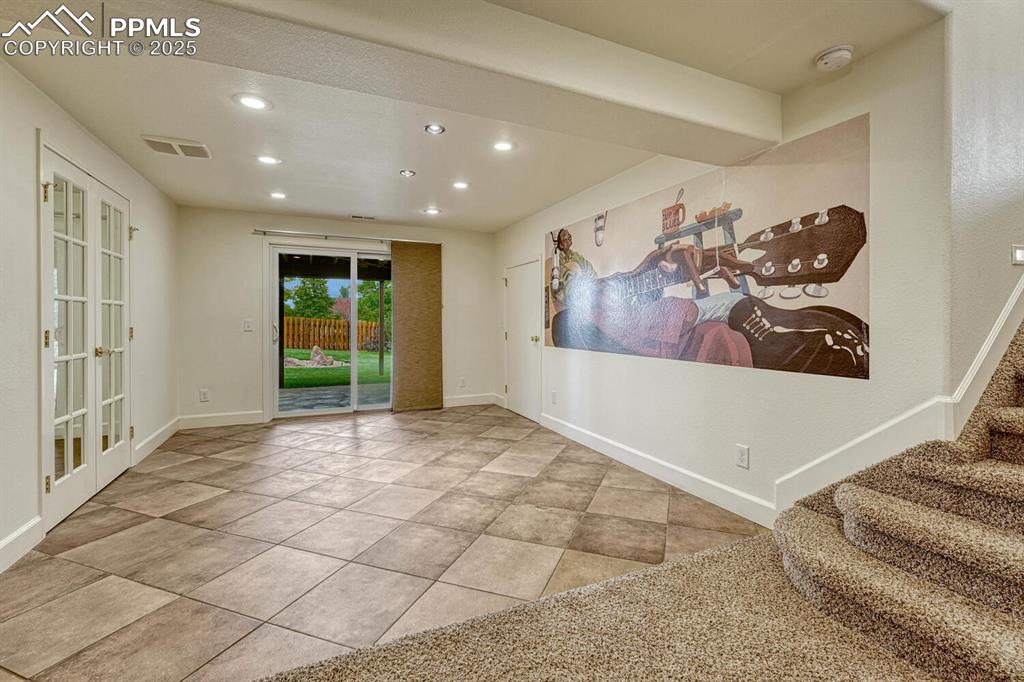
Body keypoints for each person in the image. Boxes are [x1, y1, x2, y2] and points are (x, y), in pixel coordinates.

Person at [548, 228, 869, 379]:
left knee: (739, 306)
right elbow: (636, 281)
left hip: (687, 317)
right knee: (737, 305)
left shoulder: (599, 302)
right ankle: (827, 343)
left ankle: (832, 339)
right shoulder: (584, 324)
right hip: (689, 318)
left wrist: (663, 259)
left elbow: (636, 276)